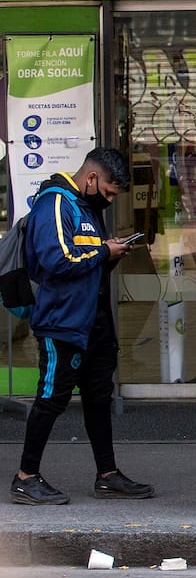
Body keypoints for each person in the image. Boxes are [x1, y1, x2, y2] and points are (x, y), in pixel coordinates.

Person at [11, 148, 153, 505]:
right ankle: (25, 477)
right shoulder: (55, 203)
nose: (109, 200)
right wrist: (104, 252)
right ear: (91, 178)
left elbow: (86, 264)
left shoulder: (87, 207)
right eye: (107, 192)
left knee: (98, 399)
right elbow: (57, 261)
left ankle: (107, 475)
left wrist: (111, 253)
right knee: (51, 399)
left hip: (93, 324)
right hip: (62, 323)